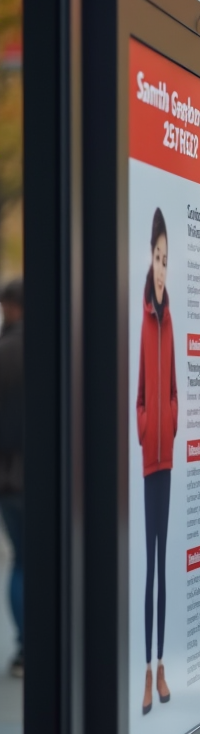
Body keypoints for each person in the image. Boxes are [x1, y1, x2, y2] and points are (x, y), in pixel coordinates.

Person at [137, 209, 178, 715]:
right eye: (158, 257)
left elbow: (172, 390)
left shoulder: (171, 317)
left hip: (168, 459)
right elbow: (141, 395)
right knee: (148, 566)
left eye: (167, 258)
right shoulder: (145, 320)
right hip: (150, 459)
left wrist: (171, 423)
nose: (162, 267)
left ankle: (162, 663)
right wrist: (150, 430)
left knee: (164, 564)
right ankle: (145, 671)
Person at [0, 278, 23, 678]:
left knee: (23, 560)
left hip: (7, 481)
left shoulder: (4, 350)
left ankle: (25, 649)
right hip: (40, 481)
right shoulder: (49, 347)